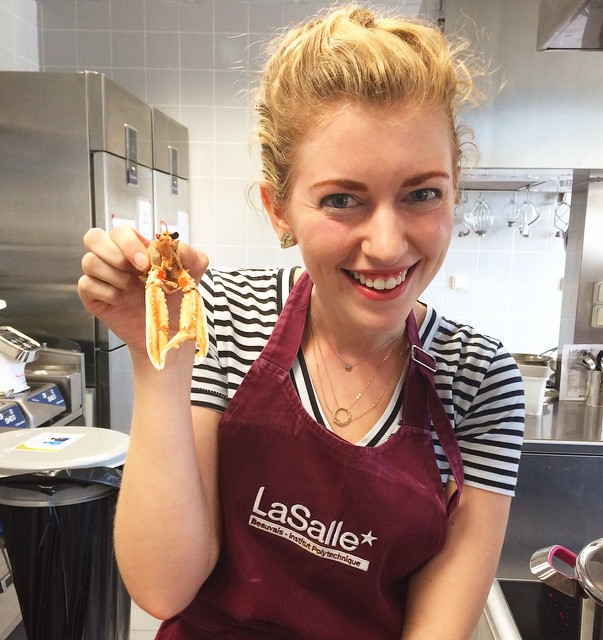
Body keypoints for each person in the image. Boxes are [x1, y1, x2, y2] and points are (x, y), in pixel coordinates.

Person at [78, 5, 525, 639]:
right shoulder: (226, 318)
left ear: (456, 191)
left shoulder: (480, 382)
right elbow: (162, 587)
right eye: (342, 200)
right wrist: (160, 359)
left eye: (422, 193)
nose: (387, 244)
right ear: (277, 209)